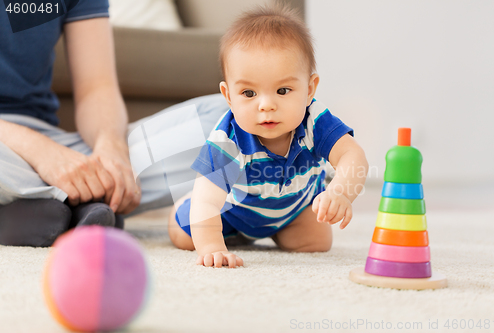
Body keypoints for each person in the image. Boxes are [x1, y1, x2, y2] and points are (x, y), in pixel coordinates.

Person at [0, 0, 228, 246]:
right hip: (14, 149)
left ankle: (45, 208)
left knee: (232, 117)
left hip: (56, 145)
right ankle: (78, 204)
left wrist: (111, 149)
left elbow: (96, 88)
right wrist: (41, 153)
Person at [168, 5, 369, 268]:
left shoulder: (315, 120)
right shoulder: (228, 139)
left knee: (316, 242)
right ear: (229, 96)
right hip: (232, 212)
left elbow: (352, 155)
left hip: (293, 210)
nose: (266, 105)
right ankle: (202, 217)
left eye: (283, 90)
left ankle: (276, 229)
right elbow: (207, 200)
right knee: (185, 234)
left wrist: (340, 192)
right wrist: (213, 248)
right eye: (249, 94)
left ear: (309, 90)